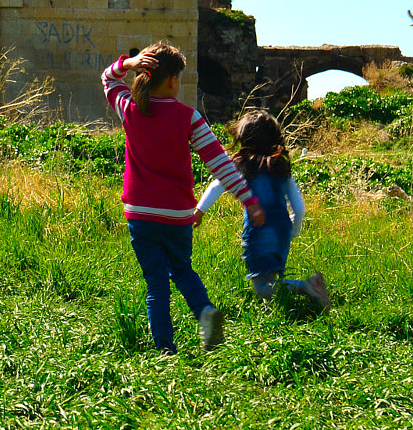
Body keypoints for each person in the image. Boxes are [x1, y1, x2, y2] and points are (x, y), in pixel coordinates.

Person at [102, 43, 264, 353]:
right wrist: (249, 201)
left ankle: (165, 349)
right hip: (177, 215)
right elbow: (221, 164)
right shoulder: (189, 117)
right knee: (182, 269)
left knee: (156, 286)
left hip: (140, 214)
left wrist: (129, 62)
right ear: (174, 80)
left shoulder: (131, 110)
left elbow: (108, 79)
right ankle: (204, 311)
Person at [195, 110, 330, 311]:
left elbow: (217, 186)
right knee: (272, 276)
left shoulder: (241, 165)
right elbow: (299, 207)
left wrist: (199, 211)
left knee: (262, 288)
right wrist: (294, 229)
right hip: (282, 230)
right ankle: (285, 305)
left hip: (258, 232)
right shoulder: (281, 167)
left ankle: (307, 287)